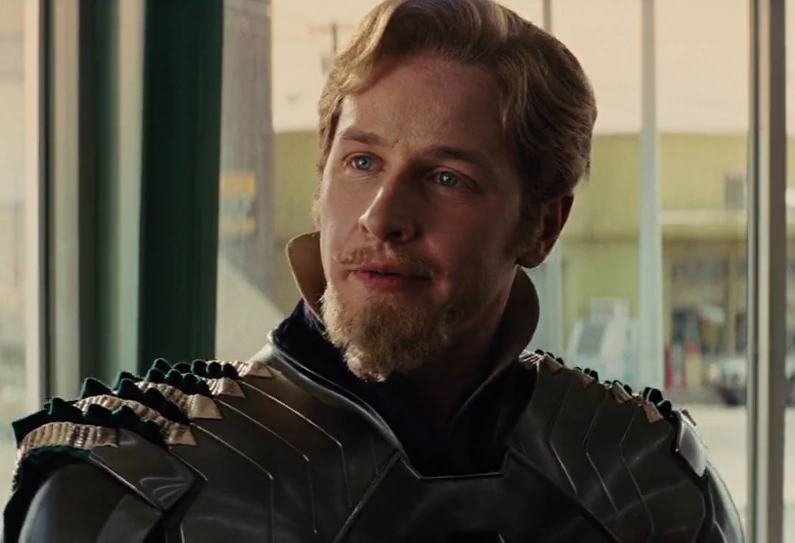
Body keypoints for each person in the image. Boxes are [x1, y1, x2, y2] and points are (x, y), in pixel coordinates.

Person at [4, 0, 743, 541]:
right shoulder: (127, 487)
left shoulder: (646, 479)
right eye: (362, 162)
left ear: (541, 225)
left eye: (447, 177)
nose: (382, 216)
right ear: (322, 177)